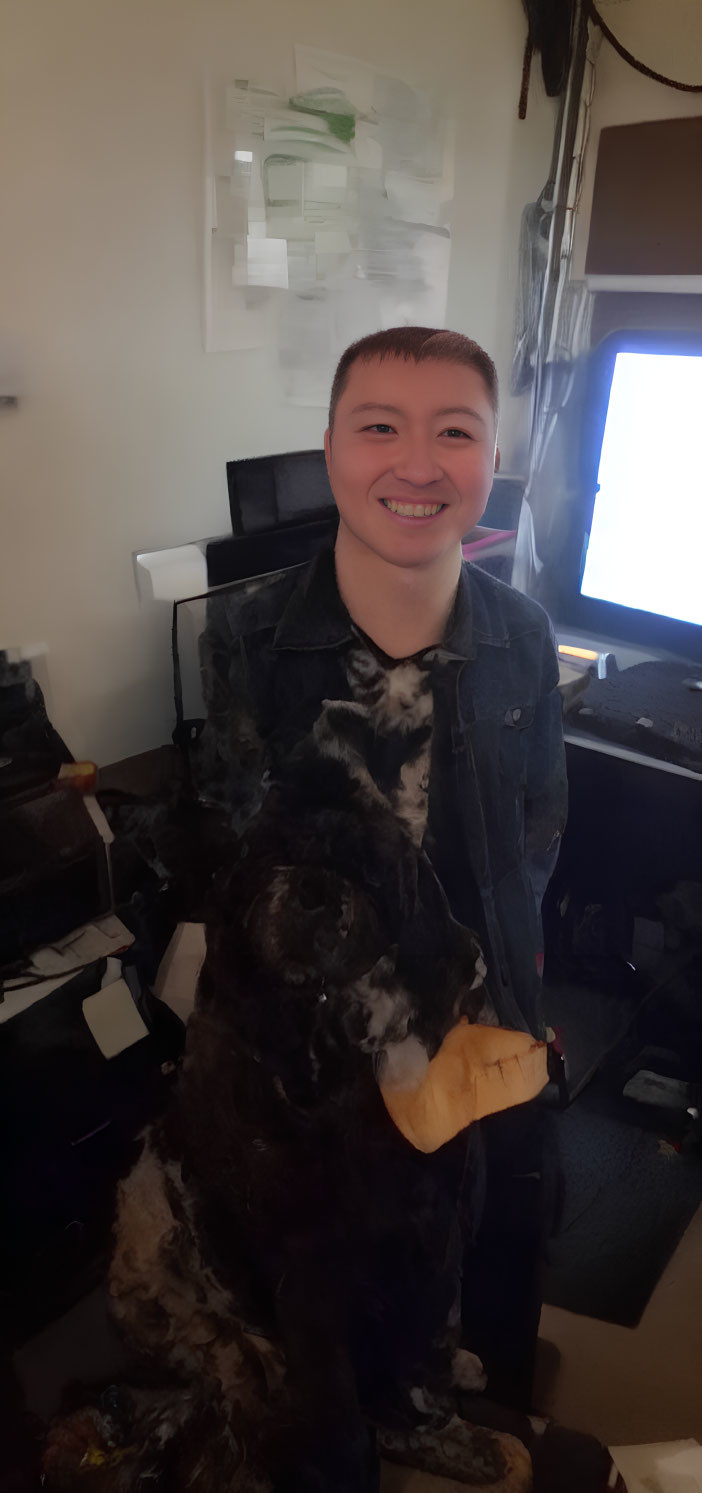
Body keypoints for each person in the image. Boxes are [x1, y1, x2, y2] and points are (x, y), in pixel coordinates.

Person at [196, 324, 568, 1410]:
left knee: (483, 1252)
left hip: (478, 1012)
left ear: (492, 456)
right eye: (379, 427)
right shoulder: (250, 635)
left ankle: (480, 1404)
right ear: (330, 449)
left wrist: (493, 970)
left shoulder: (524, 637)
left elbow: (539, 824)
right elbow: (231, 827)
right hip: (311, 1044)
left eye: (454, 431)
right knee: (321, 1285)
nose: (416, 462)